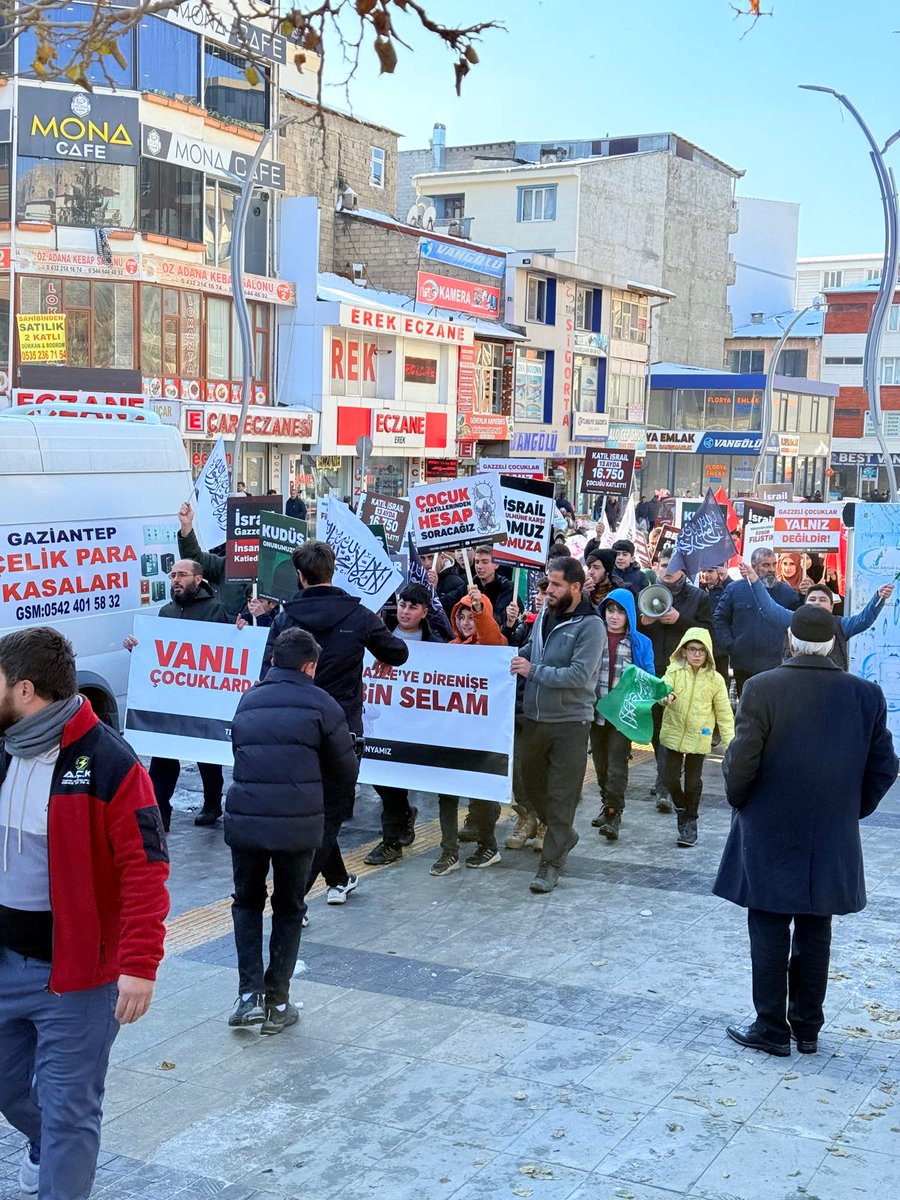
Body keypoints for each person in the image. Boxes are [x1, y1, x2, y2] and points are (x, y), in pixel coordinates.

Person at [0, 626, 169, 1199]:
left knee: (71, 1111)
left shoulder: (110, 763)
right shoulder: (4, 748)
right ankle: (44, 1144)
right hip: (5, 962)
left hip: (76, 979)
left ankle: (59, 1164)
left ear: (25, 690)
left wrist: (140, 964)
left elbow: (145, 869)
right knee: (9, 1087)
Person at [714, 605, 898, 1057]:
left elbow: (741, 762)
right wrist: (850, 810)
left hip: (769, 826)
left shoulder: (762, 688)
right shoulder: (866, 693)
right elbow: (885, 767)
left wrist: (741, 801)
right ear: (834, 643)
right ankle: (807, 1029)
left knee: (770, 924)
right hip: (829, 832)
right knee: (817, 928)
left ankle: (772, 1027)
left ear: (791, 641)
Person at [225, 628, 358, 1035]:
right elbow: (346, 771)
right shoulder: (323, 704)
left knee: (246, 903)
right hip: (299, 823)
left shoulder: (249, 699)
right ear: (311, 666)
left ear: (272, 662)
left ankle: (248, 997)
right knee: (289, 905)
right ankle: (278, 1001)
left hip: (246, 818)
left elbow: (239, 751)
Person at [263, 541, 408, 905]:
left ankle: (338, 879)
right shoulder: (357, 615)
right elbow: (398, 652)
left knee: (313, 811)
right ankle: (293, 900)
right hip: (343, 728)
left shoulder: (285, 618)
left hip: (295, 726)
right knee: (328, 816)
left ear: (300, 576)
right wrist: (378, 654)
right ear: (332, 570)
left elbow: (267, 672)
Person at [512, 558, 606, 894]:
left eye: (555, 585)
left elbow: (580, 675)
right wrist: (506, 656)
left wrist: (532, 671)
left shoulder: (591, 626)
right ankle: (563, 833)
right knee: (533, 787)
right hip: (536, 718)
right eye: (547, 584)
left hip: (570, 723)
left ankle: (550, 864)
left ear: (576, 587)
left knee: (562, 795)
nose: (547, 591)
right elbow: (531, 650)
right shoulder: (547, 614)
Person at [122, 558, 229, 830]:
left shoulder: (216, 609)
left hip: (203, 697)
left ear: (198, 579)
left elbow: (229, 649)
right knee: (163, 757)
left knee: (207, 757)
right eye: (172, 576)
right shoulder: (166, 612)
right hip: (171, 697)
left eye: (181, 575)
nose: (175, 580)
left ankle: (212, 804)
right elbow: (159, 653)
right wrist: (138, 647)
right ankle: (161, 810)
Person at [365, 584, 451, 868]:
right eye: (402, 605)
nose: (405, 611)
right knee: (382, 777)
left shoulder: (436, 646)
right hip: (383, 724)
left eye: (413, 607)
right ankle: (399, 823)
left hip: (418, 728)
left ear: (425, 612)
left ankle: (392, 840)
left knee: (400, 777)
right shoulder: (378, 638)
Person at [427, 588, 508, 876]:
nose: (466, 622)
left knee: (482, 794)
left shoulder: (493, 645)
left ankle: (488, 845)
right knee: (446, 794)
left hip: (483, 737)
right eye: (461, 616)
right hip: (452, 734)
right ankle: (449, 852)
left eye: (471, 616)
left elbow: (492, 638)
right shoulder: (450, 648)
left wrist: (481, 611)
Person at [640, 551, 714, 812]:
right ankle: (666, 778)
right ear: (656, 568)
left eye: (673, 566)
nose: (667, 570)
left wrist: (680, 620)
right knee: (656, 730)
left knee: (673, 729)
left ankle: (664, 787)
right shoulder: (647, 593)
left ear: (684, 570)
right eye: (663, 565)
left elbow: (707, 633)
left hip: (683, 673)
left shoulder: (699, 598)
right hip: (654, 670)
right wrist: (644, 622)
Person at [658, 628, 734, 847]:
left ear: (708, 653)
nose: (697, 654)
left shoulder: (715, 679)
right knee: (669, 778)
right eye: (692, 649)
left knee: (693, 783)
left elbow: (724, 714)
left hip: (699, 736)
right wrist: (665, 697)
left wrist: (731, 745)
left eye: (701, 650)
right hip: (673, 733)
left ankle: (690, 822)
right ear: (684, 651)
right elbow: (662, 690)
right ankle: (682, 807)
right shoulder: (673, 671)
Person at [591, 588, 655, 841]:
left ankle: (614, 812)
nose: (614, 616)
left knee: (617, 765)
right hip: (596, 712)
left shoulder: (640, 642)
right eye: (610, 610)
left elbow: (648, 675)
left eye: (620, 611)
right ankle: (605, 803)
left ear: (629, 614)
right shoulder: (594, 636)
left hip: (623, 716)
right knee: (600, 764)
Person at [737, 566, 893, 671]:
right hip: (795, 680)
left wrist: (878, 598)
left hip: (832, 682)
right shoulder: (794, 619)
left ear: (832, 607)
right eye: (812, 599)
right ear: (804, 604)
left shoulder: (840, 624)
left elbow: (863, 620)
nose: (817, 603)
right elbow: (770, 610)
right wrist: (755, 580)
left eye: (823, 600)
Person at [713, 547, 803, 697]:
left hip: (776, 666)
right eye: (766, 565)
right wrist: (731, 645)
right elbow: (720, 618)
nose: (771, 569)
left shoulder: (786, 592)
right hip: (744, 666)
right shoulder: (735, 589)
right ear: (753, 567)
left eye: (774, 565)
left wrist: (805, 596)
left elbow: (800, 618)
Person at [506, 578, 549, 851]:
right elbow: (506, 650)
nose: (541, 596)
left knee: (542, 771)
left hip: (545, 710)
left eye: (549, 591)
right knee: (517, 771)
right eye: (541, 591)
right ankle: (527, 817)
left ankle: (546, 822)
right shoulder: (525, 626)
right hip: (517, 709)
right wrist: (509, 626)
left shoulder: (562, 627)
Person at [176, 501, 246, 620]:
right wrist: (186, 527)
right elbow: (195, 560)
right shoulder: (226, 566)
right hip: (224, 634)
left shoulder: (277, 572)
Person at [473, 545, 514, 631]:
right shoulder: (468, 587)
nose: (479, 566)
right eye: (477, 562)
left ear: (496, 564)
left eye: (485, 562)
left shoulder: (508, 589)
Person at [422, 550, 466, 619]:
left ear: (441, 557)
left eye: (431, 557)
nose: (427, 563)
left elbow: (450, 615)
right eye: (422, 558)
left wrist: (435, 592)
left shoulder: (456, 583)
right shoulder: (416, 581)